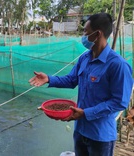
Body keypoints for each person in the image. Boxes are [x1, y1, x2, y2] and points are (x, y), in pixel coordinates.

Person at [29, 13, 133, 156]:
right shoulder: (84, 58)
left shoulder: (118, 65)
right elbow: (71, 80)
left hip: (100, 136)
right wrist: (49, 79)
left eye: (86, 32)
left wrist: (86, 113)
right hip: (80, 130)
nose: (83, 36)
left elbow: (119, 102)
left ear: (98, 34)